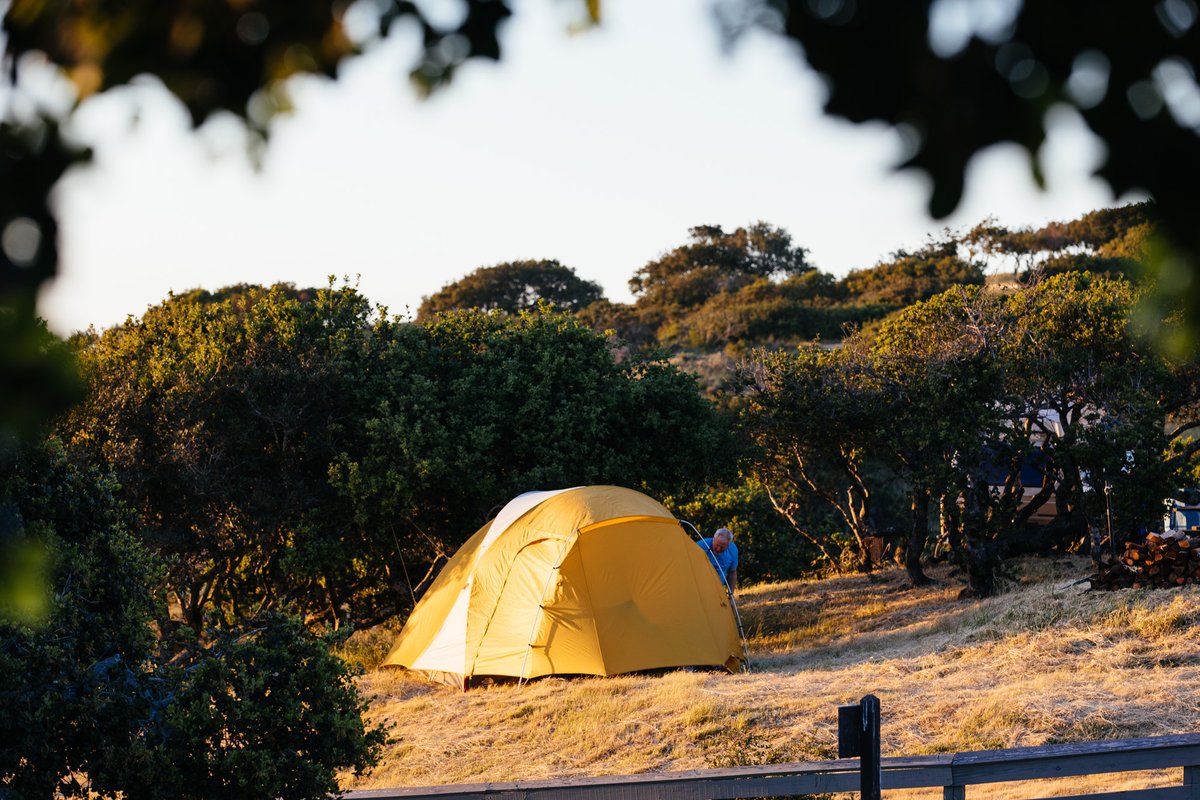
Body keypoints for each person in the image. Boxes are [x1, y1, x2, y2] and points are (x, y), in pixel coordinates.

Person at [697, 527, 738, 593]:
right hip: (699, 587)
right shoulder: (701, 545)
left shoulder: (732, 550)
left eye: (722, 547)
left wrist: (731, 594)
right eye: (717, 545)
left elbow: (732, 573)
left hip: (717, 591)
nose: (718, 549)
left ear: (728, 545)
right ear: (713, 539)